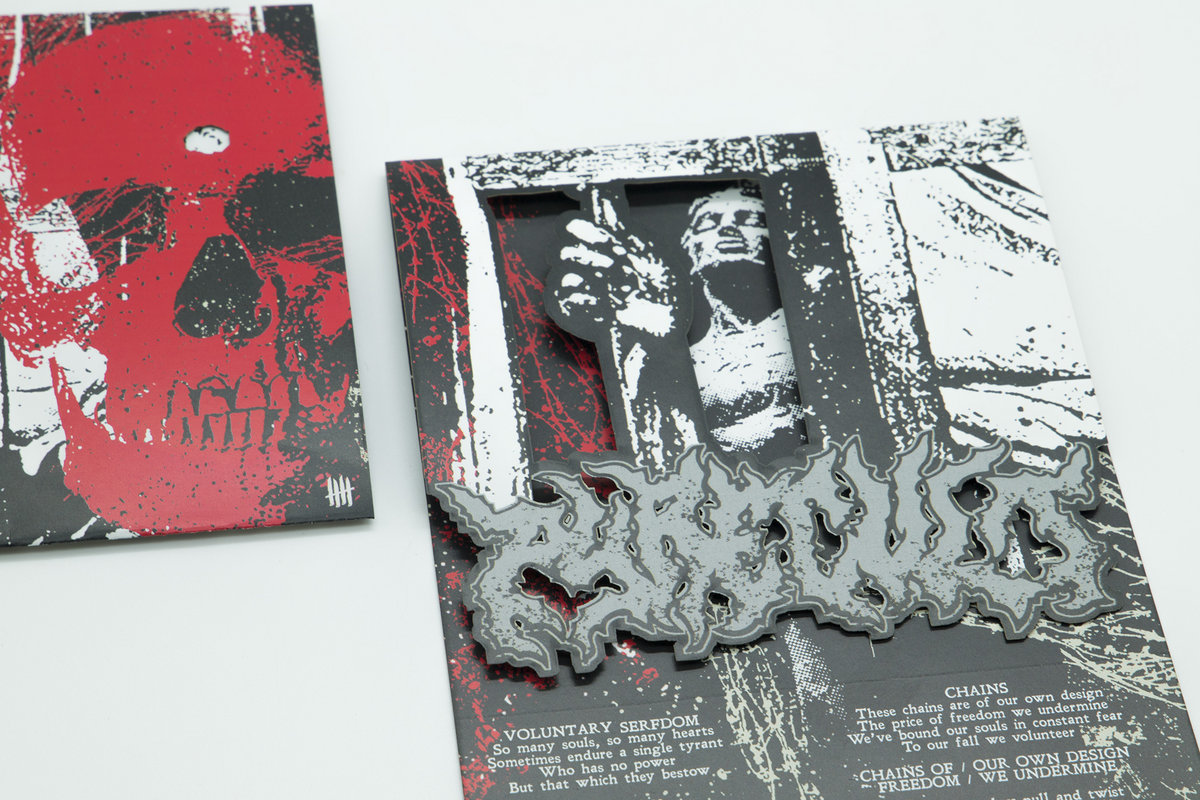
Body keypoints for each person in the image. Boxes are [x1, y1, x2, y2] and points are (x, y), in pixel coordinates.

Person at [552, 183, 805, 463]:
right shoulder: (689, 359)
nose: (728, 229)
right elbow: (676, 459)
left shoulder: (808, 338)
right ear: (690, 247)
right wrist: (650, 339)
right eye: (709, 223)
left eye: (749, 220)